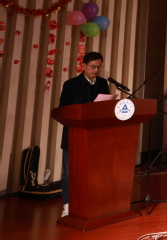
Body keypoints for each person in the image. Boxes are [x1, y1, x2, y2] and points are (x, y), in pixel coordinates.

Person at [58, 51, 109, 217]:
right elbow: (63, 109)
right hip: (74, 134)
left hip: (95, 134)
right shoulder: (71, 84)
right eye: (93, 66)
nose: (96, 70)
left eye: (99, 67)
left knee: (95, 171)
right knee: (69, 172)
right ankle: (68, 205)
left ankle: (93, 203)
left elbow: (105, 108)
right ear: (84, 65)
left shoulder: (102, 83)